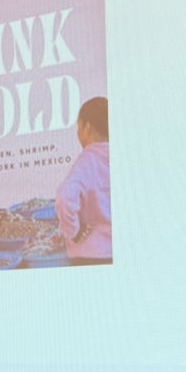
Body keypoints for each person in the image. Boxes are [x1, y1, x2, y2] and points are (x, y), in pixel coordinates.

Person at [55, 96, 111, 264]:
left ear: (87, 127)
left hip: (89, 255)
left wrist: (73, 232)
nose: (78, 133)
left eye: (78, 126)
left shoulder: (87, 161)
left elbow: (64, 197)